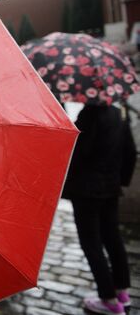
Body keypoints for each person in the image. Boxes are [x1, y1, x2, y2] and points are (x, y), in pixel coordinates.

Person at [62, 104, 134, 315]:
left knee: (91, 243)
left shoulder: (90, 112)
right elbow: (129, 151)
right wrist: (120, 180)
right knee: (113, 238)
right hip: (111, 187)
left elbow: (79, 151)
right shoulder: (119, 112)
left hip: (87, 191)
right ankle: (123, 293)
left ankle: (109, 300)